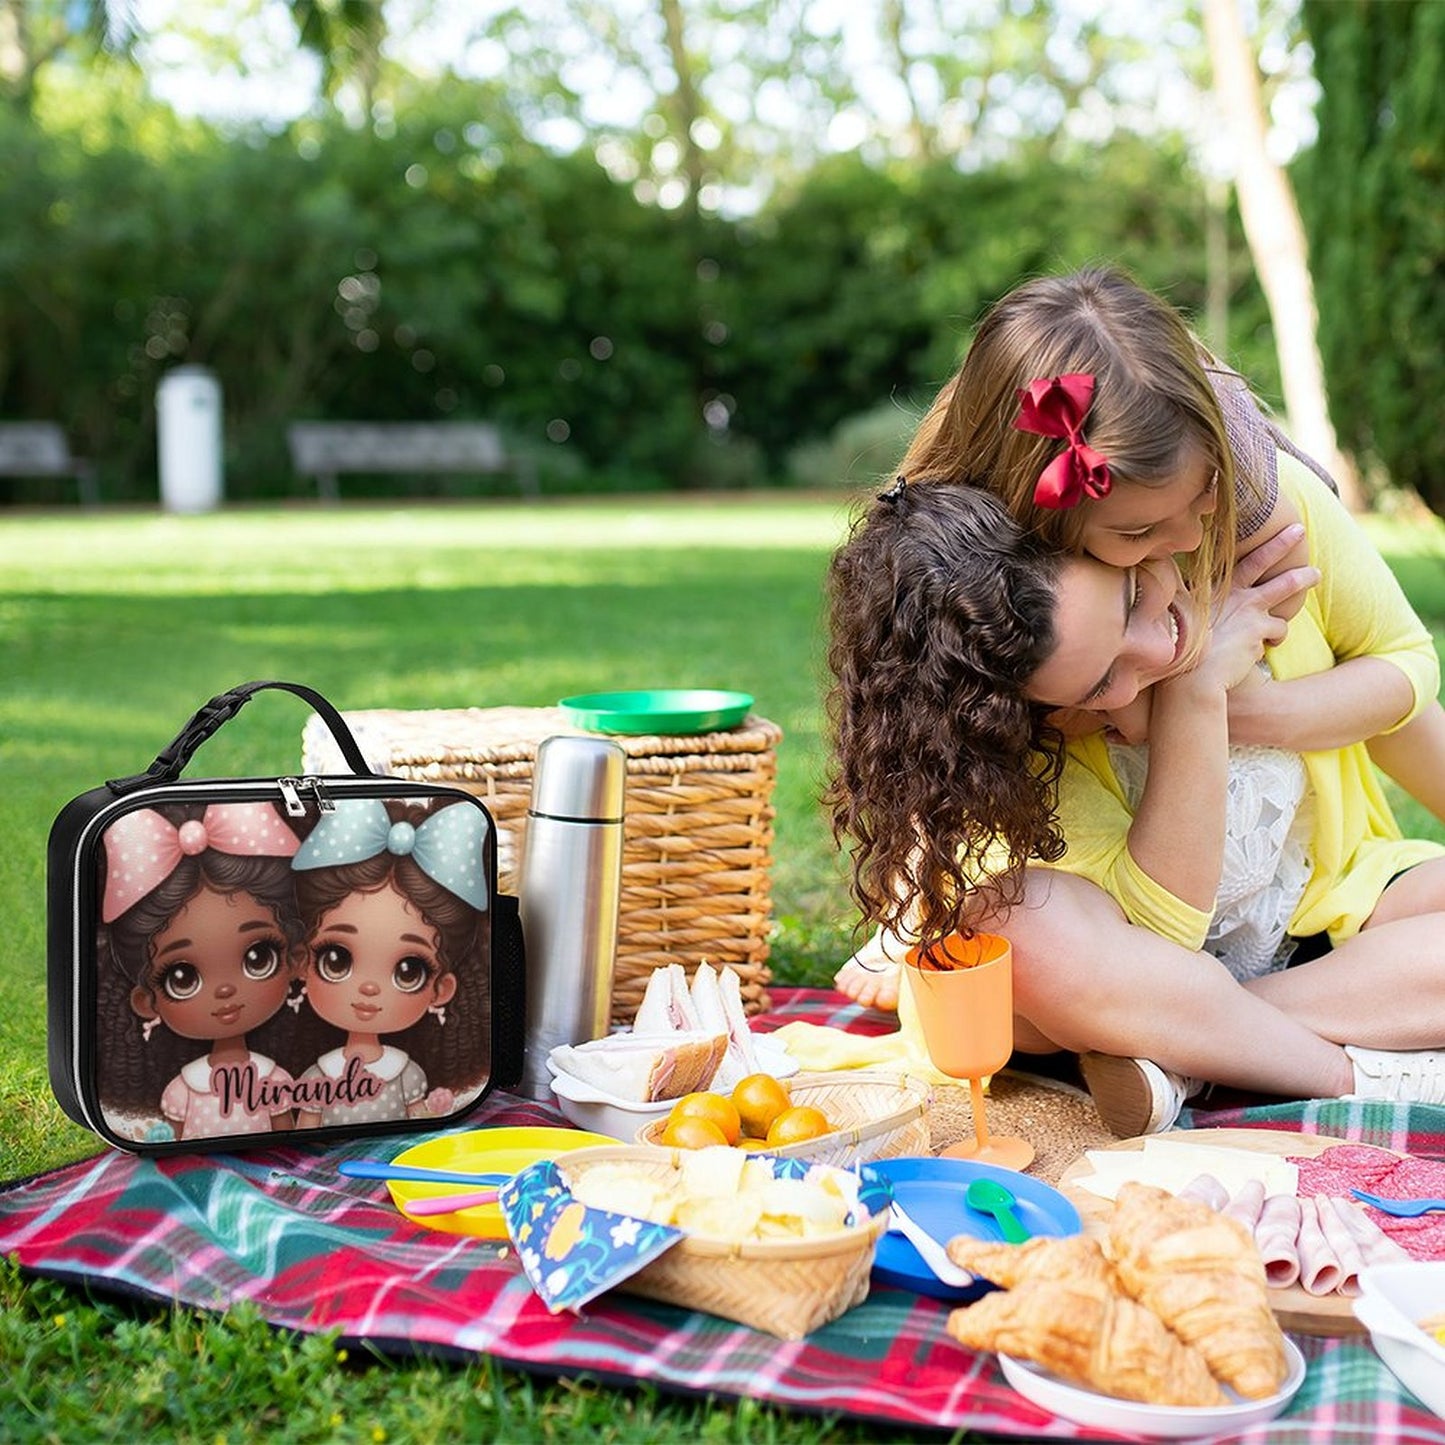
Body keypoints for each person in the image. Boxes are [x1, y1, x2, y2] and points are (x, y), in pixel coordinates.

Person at [833, 265, 1445, 1015]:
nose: (1187, 536)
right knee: (1019, 962)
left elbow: (1406, 667)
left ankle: (1223, 1032)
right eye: (1136, 534)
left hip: (1323, 892)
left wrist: (1239, 707)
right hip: (1125, 928)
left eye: (1203, 495)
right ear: (1041, 520)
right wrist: (1183, 695)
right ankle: (1233, 1025)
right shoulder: (1013, 625)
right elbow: (938, 757)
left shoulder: (1265, 515)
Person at [804, 475, 1445, 1136]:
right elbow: (1163, 941)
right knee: (1017, 927)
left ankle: (1186, 1059)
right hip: (1127, 975)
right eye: (1102, 679)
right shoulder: (1029, 731)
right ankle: (1349, 1072)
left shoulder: (1251, 536)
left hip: (1322, 921)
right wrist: (1191, 696)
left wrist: (1241, 705)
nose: (1156, 647)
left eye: (1133, 593)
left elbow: (1403, 684)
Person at [97, 802, 307, 1142]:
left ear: (296, 960)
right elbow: (175, 1142)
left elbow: (289, 1139)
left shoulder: (275, 1079)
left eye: (258, 958)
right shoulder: (185, 1088)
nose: (225, 990)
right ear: (146, 1000)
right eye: (182, 978)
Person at [289, 797, 492, 1128]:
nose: (369, 988)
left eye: (408, 971)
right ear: (301, 961)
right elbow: (303, 1129)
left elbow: (415, 1124)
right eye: (336, 960)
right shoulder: (318, 1074)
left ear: (442, 989)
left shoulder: (405, 1073)